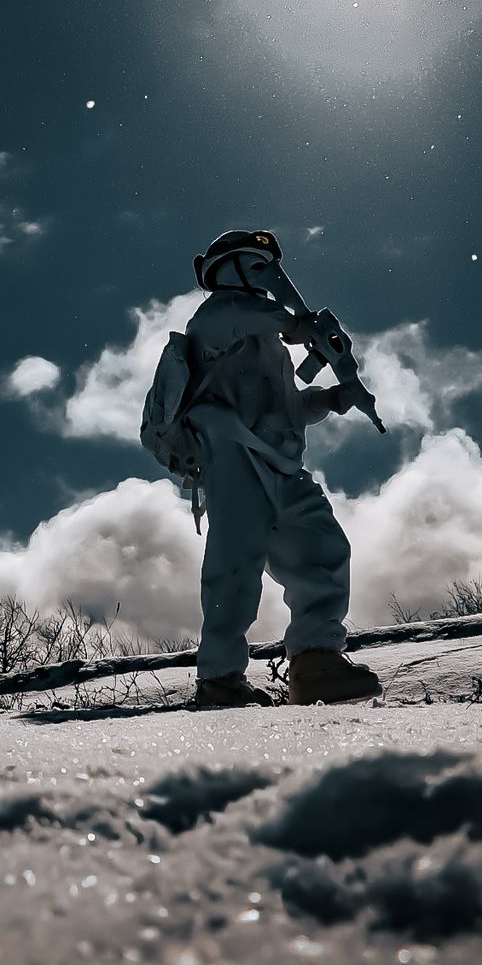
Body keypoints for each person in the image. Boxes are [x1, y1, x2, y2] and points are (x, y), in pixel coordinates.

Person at [143, 229, 384, 707]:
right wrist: (296, 325)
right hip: (230, 453)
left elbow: (289, 407)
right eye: (253, 265)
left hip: (280, 462)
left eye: (265, 265)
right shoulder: (217, 317)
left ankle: (317, 659)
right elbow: (242, 318)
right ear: (227, 272)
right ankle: (220, 677)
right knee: (235, 561)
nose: (266, 275)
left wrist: (335, 398)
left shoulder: (268, 342)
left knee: (321, 547)